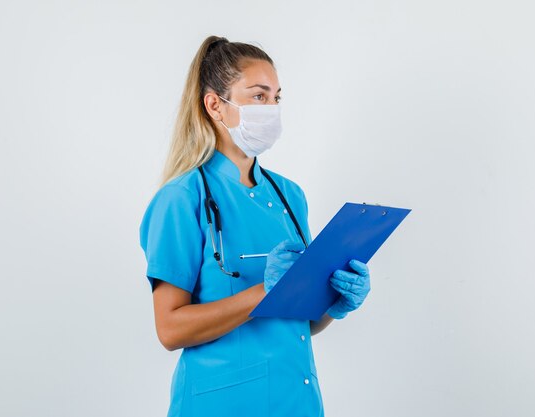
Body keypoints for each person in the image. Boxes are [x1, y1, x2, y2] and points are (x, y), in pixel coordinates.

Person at [139, 35, 371, 417]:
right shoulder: (182, 198)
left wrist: (335, 303)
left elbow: (301, 321)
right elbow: (169, 328)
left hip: (296, 400)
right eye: (259, 96)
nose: (272, 108)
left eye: (276, 97)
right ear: (215, 105)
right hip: (222, 404)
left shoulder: (289, 196)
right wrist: (264, 292)